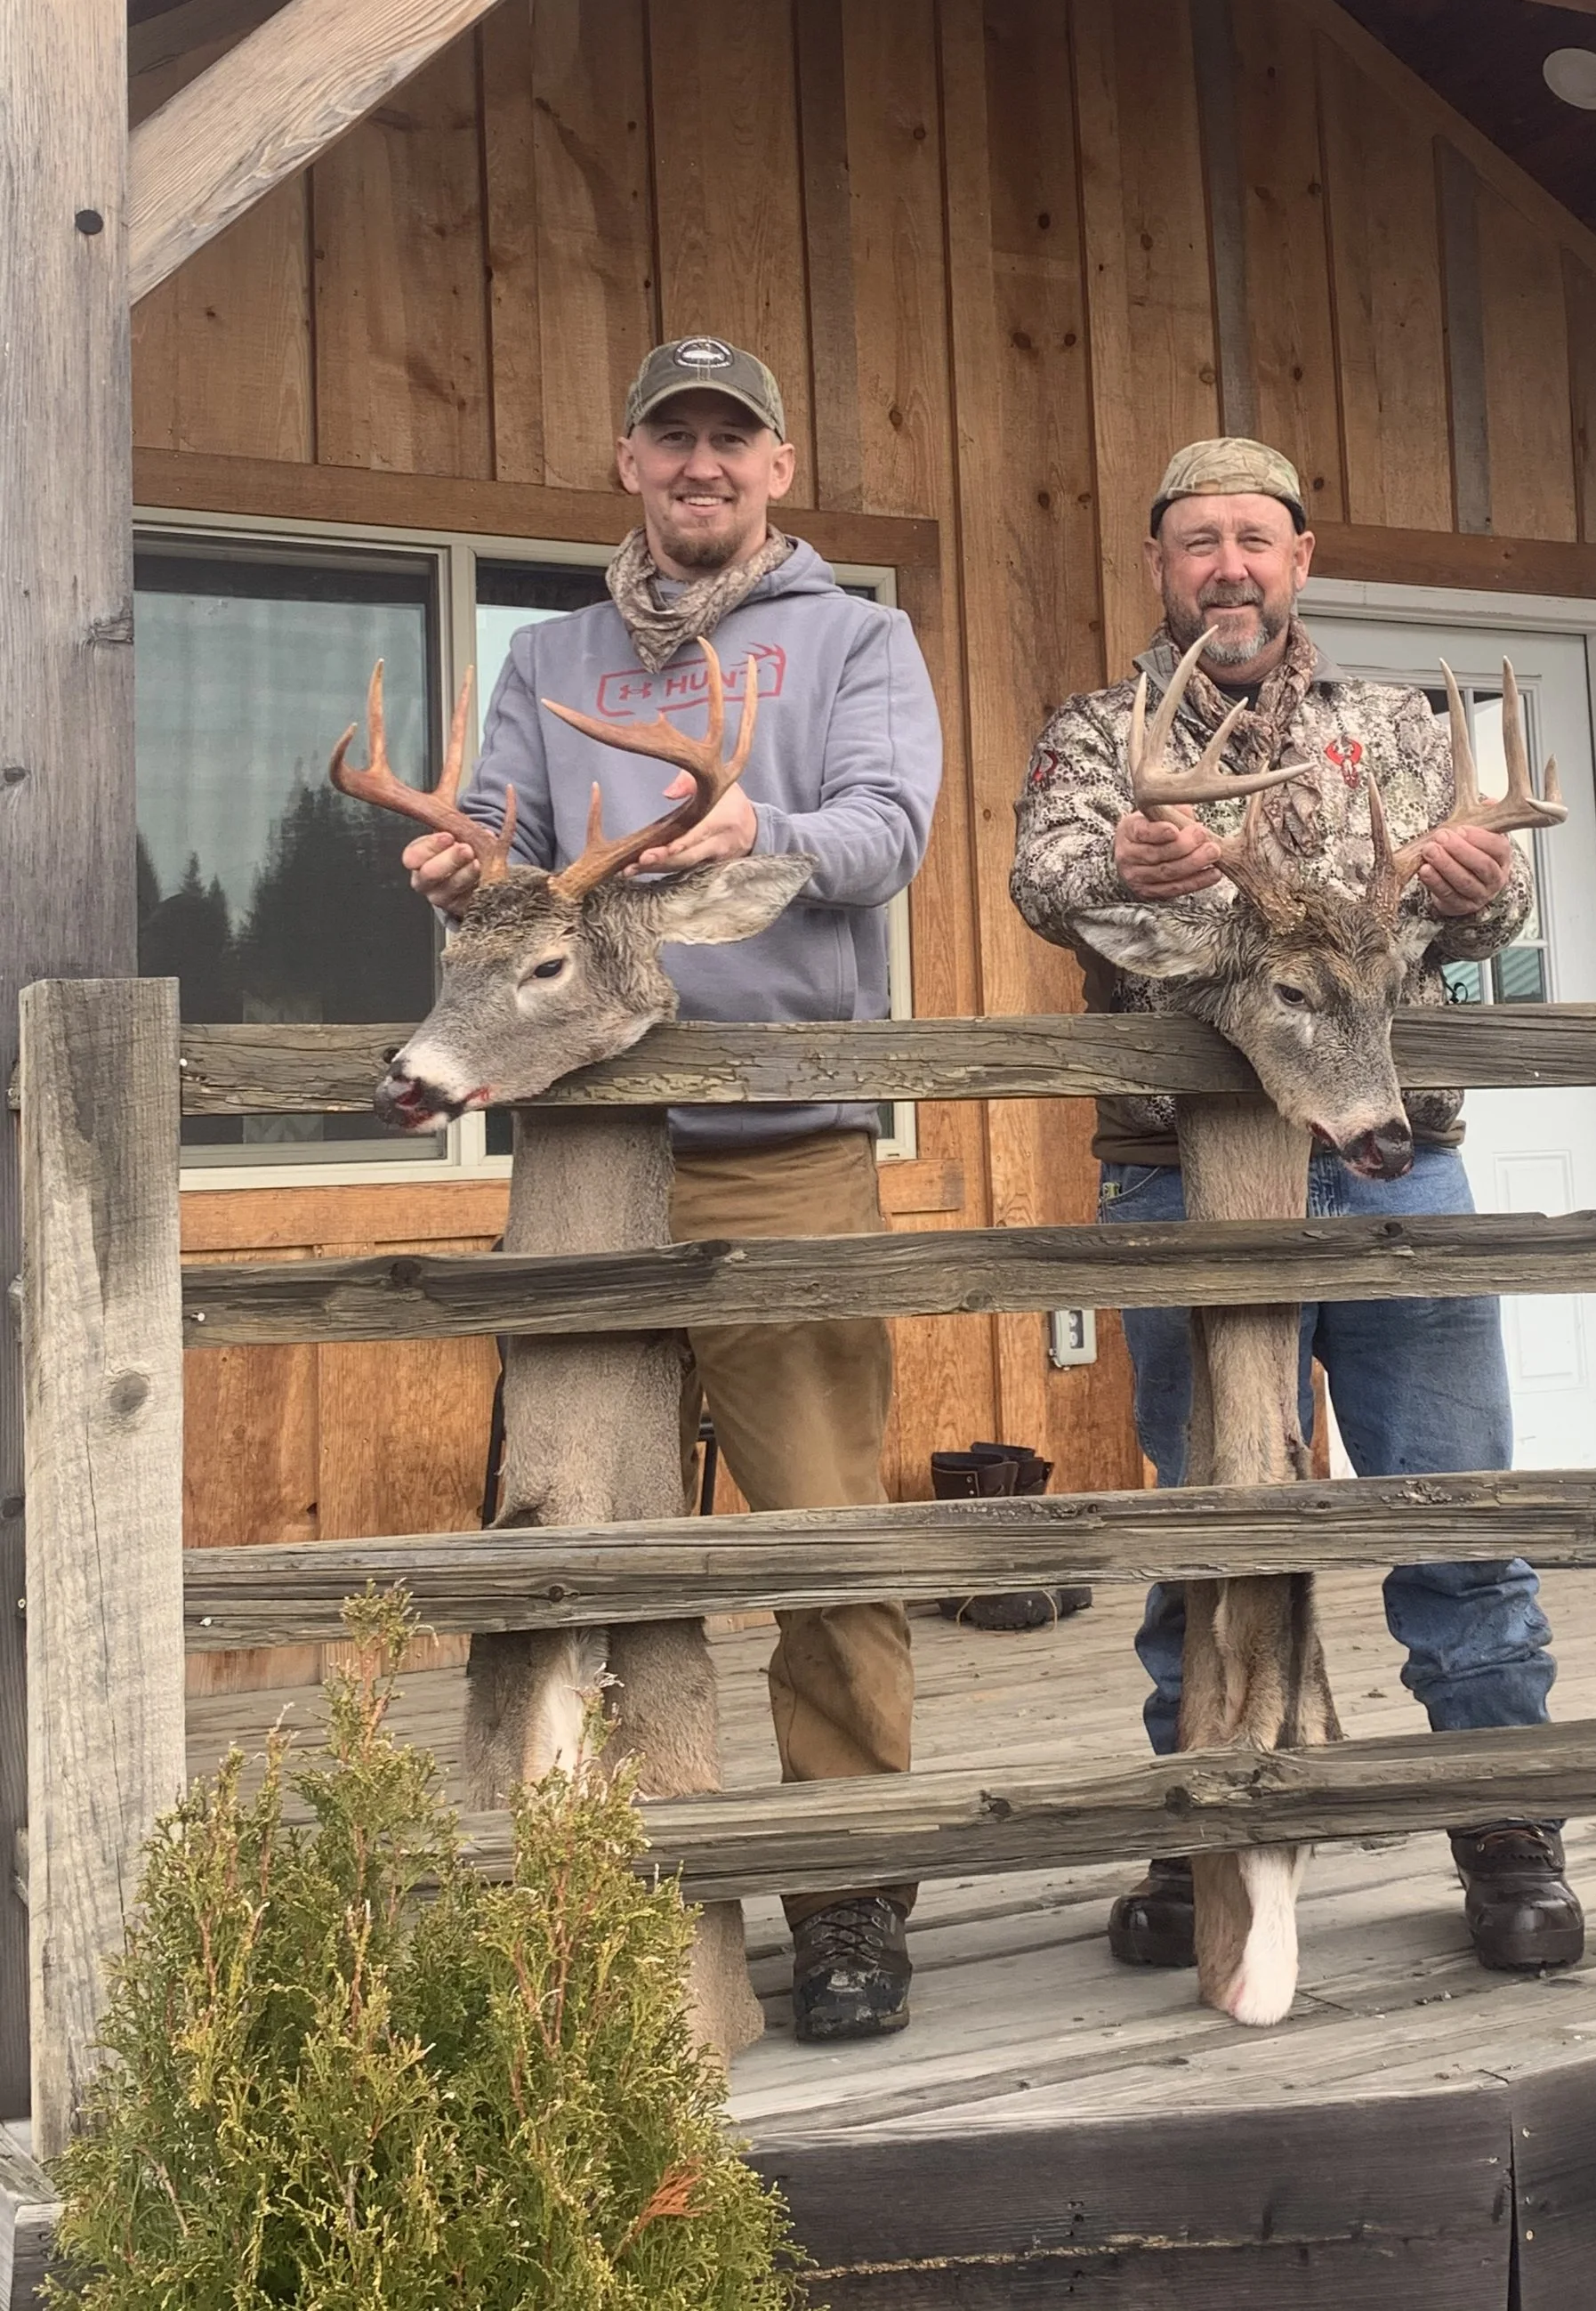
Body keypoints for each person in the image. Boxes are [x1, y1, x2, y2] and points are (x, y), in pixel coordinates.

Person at [402, 337, 941, 2043]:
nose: (701, 462)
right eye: (671, 435)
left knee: (822, 1534)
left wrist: (756, 831)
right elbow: (506, 852)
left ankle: (844, 1893)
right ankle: (591, 1888)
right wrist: (458, 861)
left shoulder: (853, 639)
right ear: (628, 461)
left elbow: (890, 833)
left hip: (781, 1146)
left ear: (777, 464)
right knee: (571, 1533)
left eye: (732, 436)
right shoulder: (548, 653)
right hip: (588, 1152)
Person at [1010, 437, 1583, 1975]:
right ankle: (1206, 1820)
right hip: (1183, 1171)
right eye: (1197, 541)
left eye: (1253, 539)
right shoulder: (1102, 736)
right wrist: (1136, 859)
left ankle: (1505, 1820)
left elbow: (1500, 910)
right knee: (1209, 1519)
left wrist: (1476, 881)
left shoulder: (1395, 729)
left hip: (1399, 1160)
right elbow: (1049, 884)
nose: (1228, 567)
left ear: (1300, 558)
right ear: (1160, 566)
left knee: (1455, 1505)